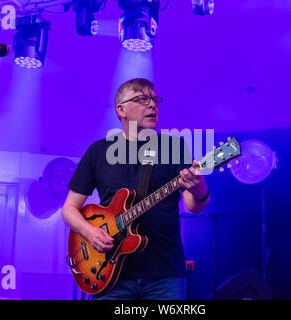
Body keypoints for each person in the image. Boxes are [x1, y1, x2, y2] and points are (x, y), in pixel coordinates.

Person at [61, 78, 210, 300]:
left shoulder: (173, 147)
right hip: (108, 274)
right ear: (120, 109)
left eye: (155, 100)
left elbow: (193, 205)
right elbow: (69, 209)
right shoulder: (98, 151)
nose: (152, 105)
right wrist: (90, 232)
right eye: (141, 99)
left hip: (165, 273)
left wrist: (199, 189)